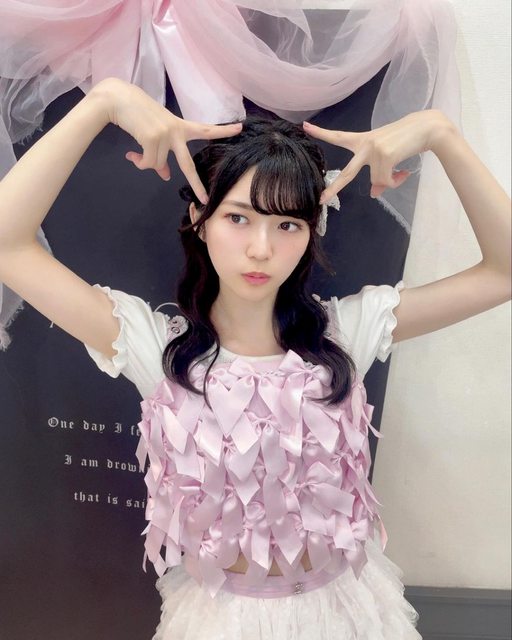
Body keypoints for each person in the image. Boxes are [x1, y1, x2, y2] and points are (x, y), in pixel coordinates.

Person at [0, 77, 510, 639]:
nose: (261, 249)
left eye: (287, 224)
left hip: (348, 612)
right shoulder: (157, 348)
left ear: (311, 231)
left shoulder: (347, 334)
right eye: (238, 218)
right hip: (224, 620)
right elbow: (8, 245)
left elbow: (503, 272)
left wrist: (441, 134)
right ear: (201, 220)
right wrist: (104, 102)